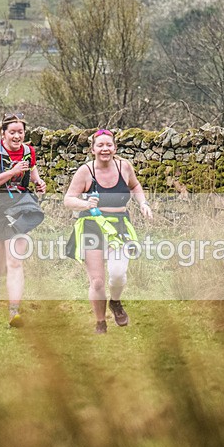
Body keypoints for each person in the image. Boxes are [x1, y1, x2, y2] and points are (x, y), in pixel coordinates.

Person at [63, 129, 153, 334]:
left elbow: (135, 186)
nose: (105, 149)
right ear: (93, 149)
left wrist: (143, 203)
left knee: (118, 274)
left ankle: (115, 301)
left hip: (119, 226)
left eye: (109, 145)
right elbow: (68, 199)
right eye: (100, 145)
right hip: (92, 226)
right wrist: (84, 203)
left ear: (115, 148)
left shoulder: (124, 167)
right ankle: (100, 322)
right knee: (97, 282)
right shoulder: (85, 171)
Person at [0, 112, 46, 327]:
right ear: (3, 133)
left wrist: (38, 181)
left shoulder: (28, 151)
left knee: (15, 261)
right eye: (13, 132)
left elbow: (31, 170)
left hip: (20, 208)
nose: (17, 136)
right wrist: (12, 172)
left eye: (21, 132)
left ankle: (14, 311)